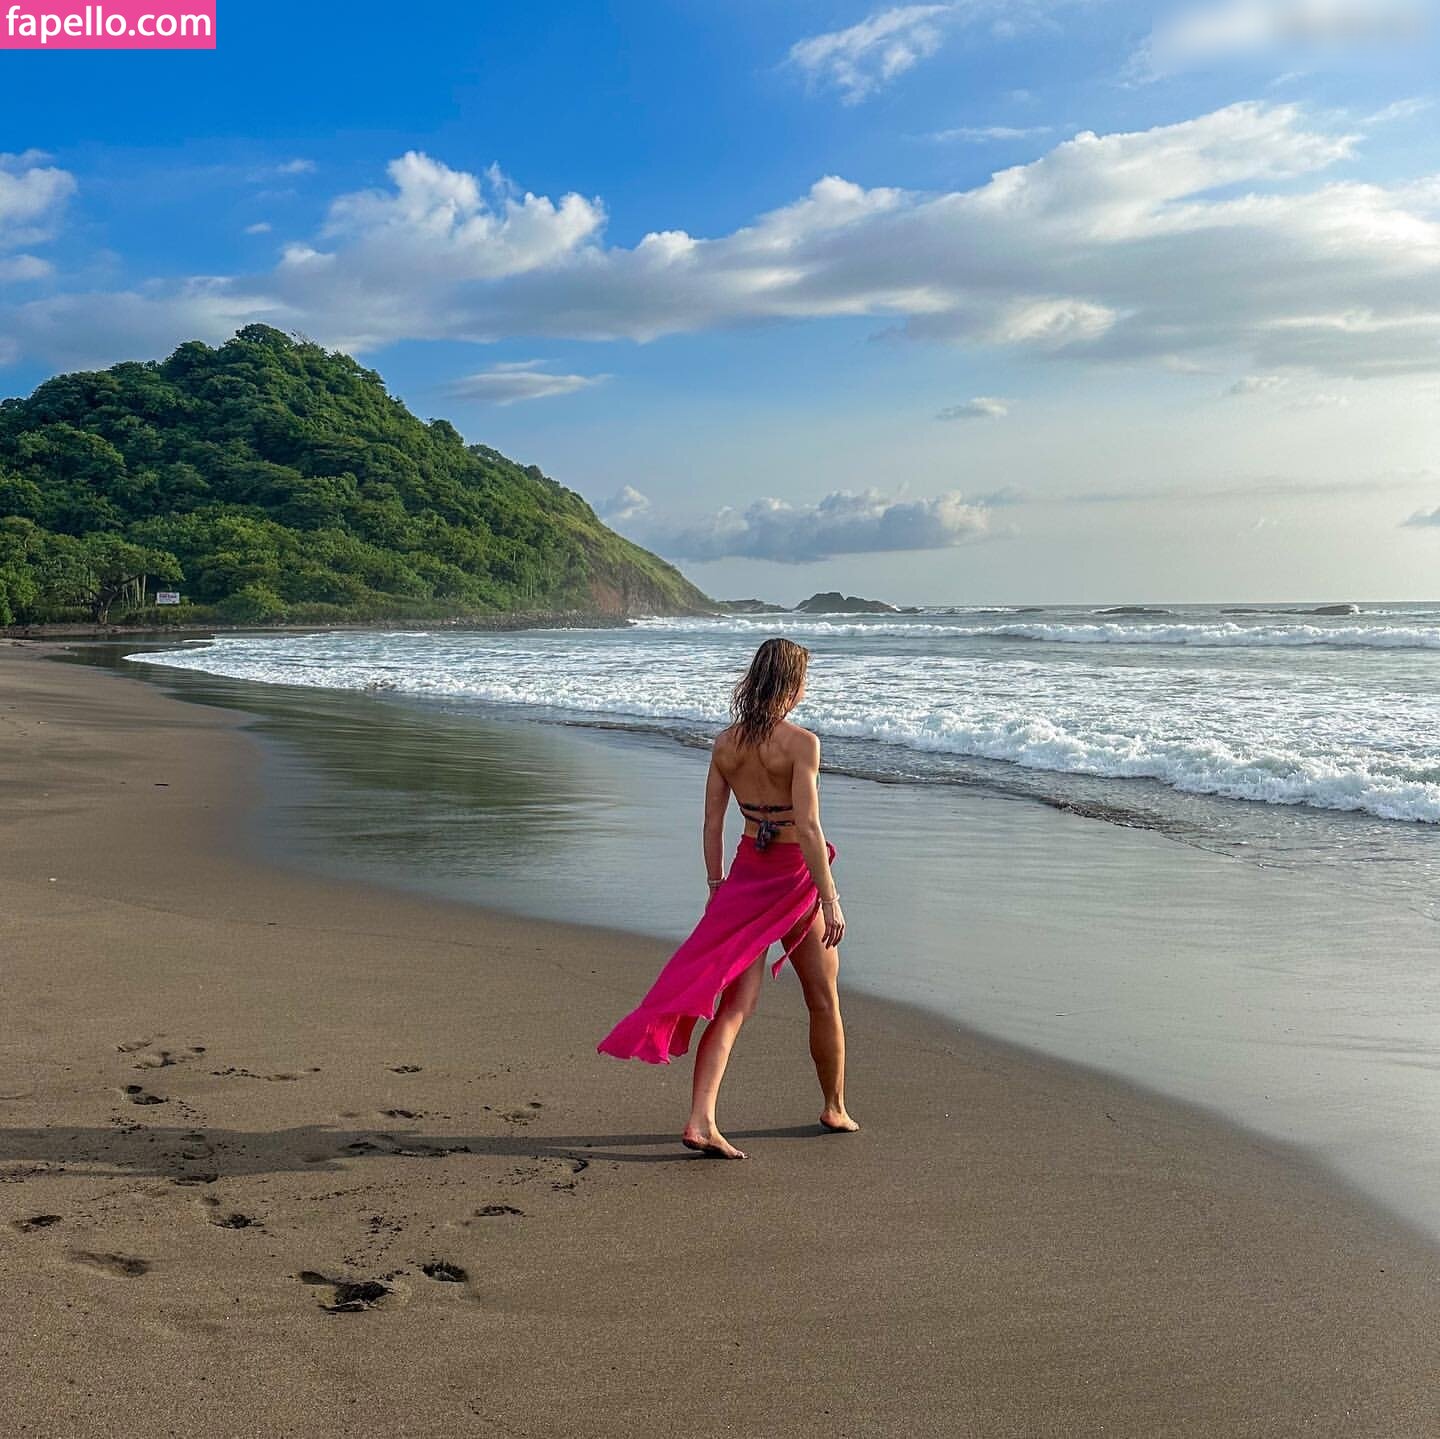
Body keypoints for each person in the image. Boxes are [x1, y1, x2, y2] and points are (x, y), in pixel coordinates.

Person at [597, 637, 858, 1159]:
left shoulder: (725, 745)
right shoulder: (802, 744)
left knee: (736, 1005)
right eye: (804, 679)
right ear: (792, 684)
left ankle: (701, 1119)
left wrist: (717, 887)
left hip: (745, 877)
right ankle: (834, 1107)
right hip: (795, 879)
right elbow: (808, 827)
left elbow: (712, 823)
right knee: (822, 996)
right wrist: (829, 898)